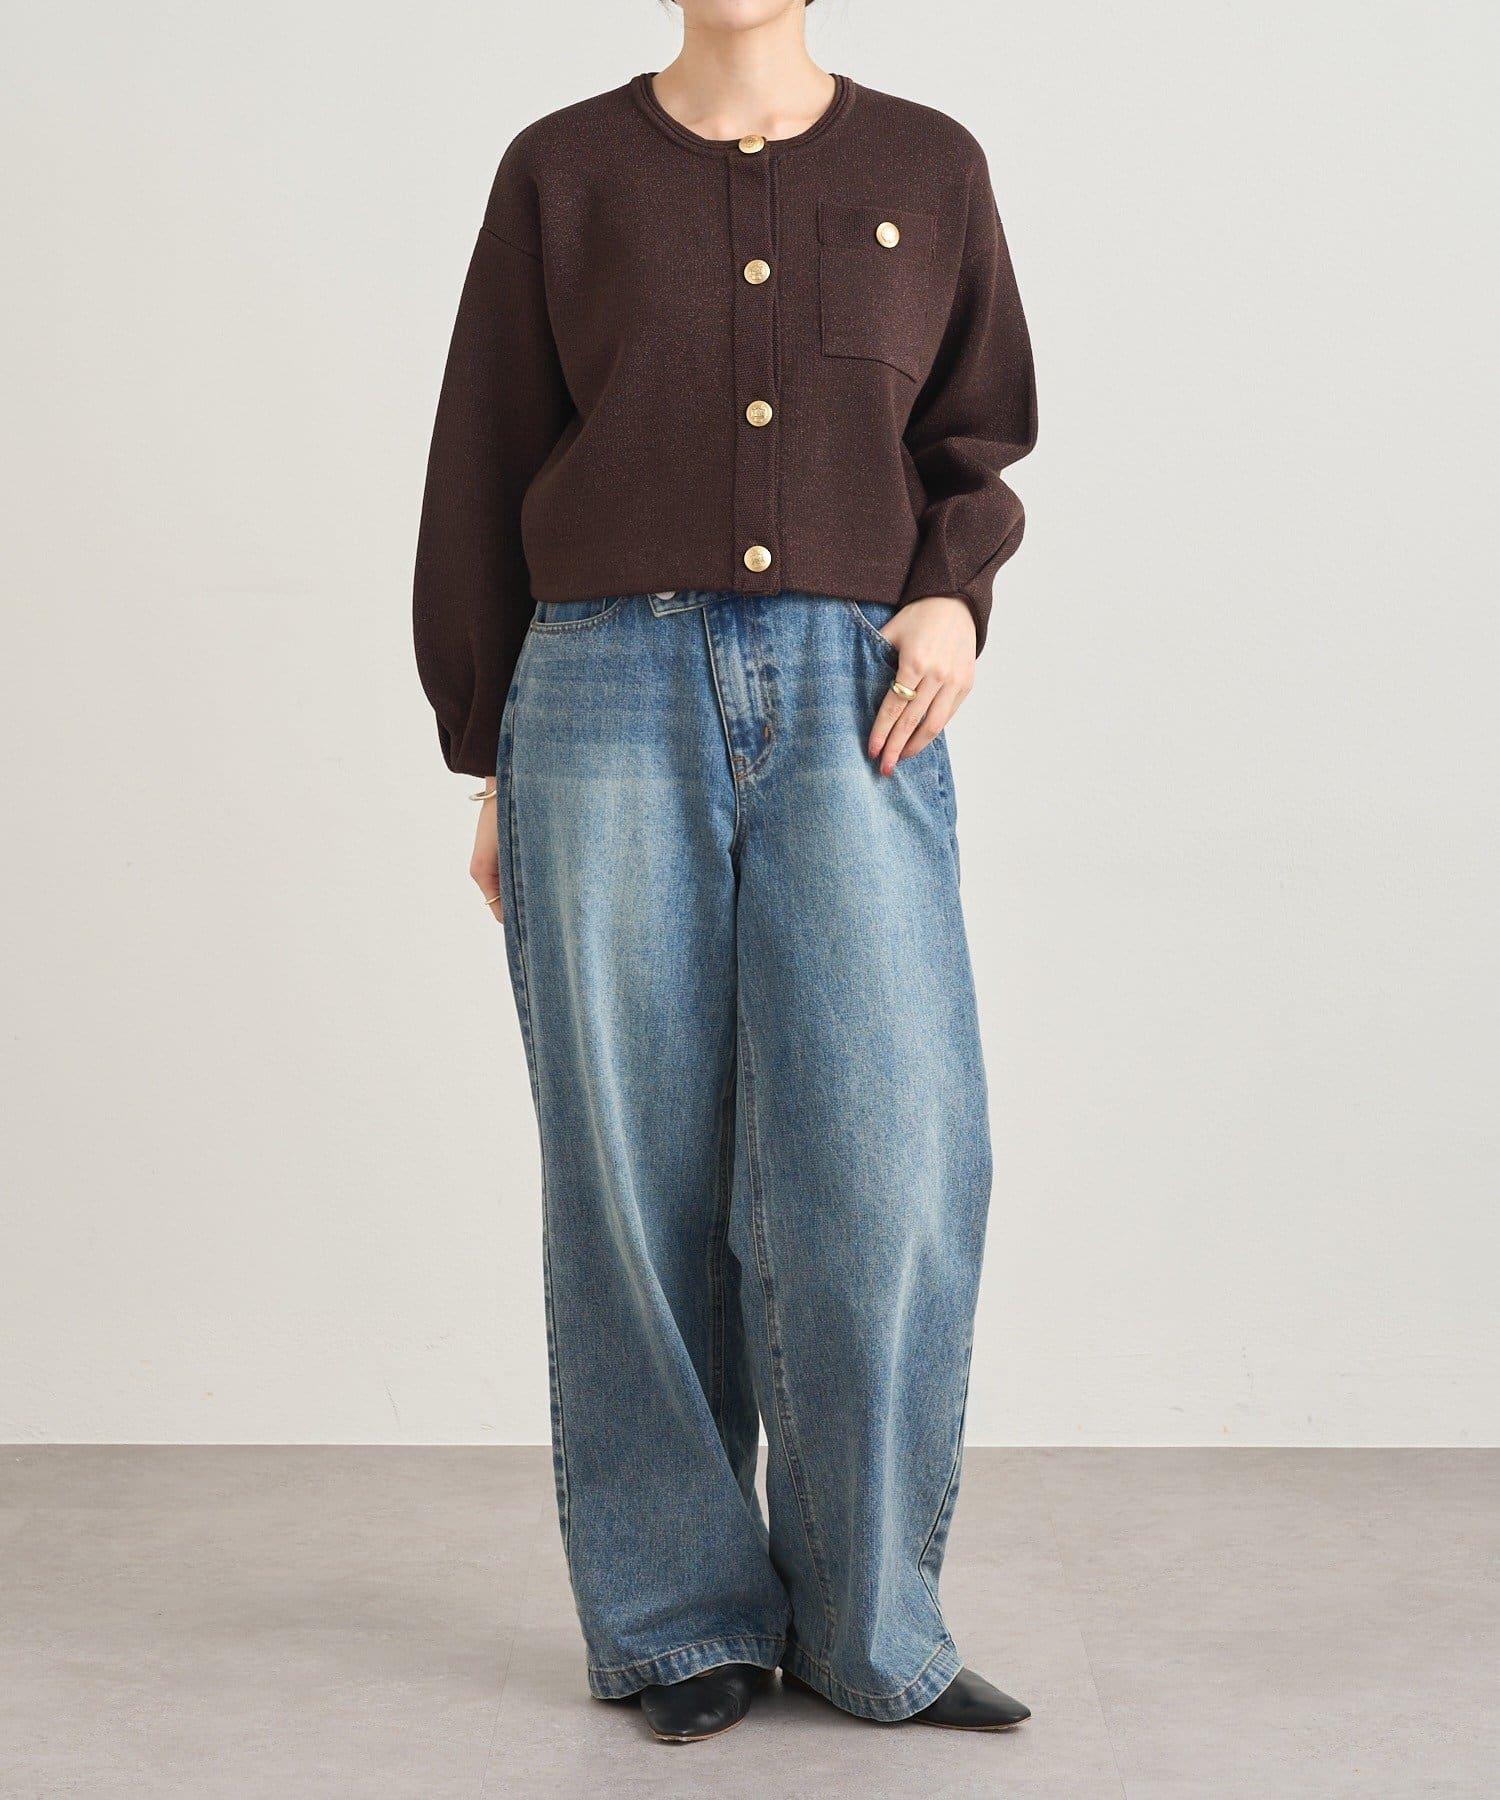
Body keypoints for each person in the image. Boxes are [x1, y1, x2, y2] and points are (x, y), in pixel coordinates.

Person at [414, 0, 1036, 1746]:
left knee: (886, 1153)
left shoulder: (929, 165)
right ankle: (680, 1620)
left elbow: (974, 434)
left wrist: (953, 592)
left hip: (857, 696)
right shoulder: (562, 173)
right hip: (598, 694)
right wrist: (489, 755)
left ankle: (870, 1620)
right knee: (634, 1165)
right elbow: (482, 457)